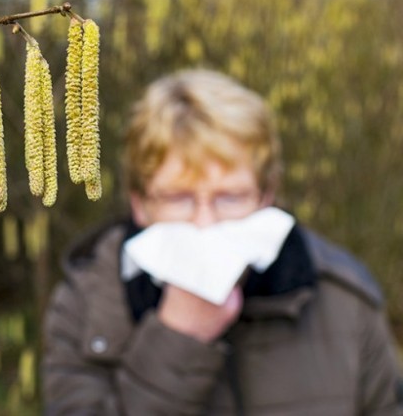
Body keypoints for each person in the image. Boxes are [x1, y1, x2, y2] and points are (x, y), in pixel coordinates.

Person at [42, 69, 402, 415]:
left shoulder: (343, 298)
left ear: (266, 197)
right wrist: (177, 339)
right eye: (178, 198)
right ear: (140, 203)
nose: (205, 223)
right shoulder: (87, 306)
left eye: (229, 197)